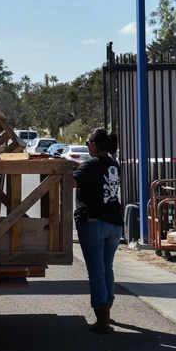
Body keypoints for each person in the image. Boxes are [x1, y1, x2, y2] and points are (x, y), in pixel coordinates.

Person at [72, 128, 123, 333]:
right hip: (114, 224)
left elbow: (74, 180)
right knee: (107, 268)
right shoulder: (113, 165)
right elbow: (93, 172)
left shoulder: (90, 165)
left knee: (96, 272)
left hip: (93, 223)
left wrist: (60, 170)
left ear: (94, 144)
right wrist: (77, 166)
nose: (87, 146)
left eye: (87, 142)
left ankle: (103, 320)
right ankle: (107, 307)